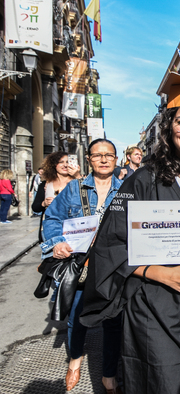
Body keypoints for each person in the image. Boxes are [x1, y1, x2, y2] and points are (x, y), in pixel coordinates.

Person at [80, 72, 180, 394]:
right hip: (153, 304)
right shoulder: (141, 181)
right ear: (169, 127)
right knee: (161, 381)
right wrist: (163, 275)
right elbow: (110, 247)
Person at [40, 138, 123, 393]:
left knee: (113, 320)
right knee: (77, 315)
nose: (103, 159)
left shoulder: (127, 189)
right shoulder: (74, 189)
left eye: (108, 155)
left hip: (113, 267)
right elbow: (53, 217)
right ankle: (75, 359)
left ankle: (109, 374)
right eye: (97, 155)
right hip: (80, 264)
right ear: (88, 159)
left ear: (116, 160)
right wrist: (57, 244)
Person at [32, 151, 81, 240]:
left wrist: (78, 176)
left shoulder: (78, 183)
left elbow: (89, 199)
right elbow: (35, 207)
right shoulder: (45, 184)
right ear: (54, 165)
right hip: (50, 229)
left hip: (74, 229)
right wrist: (44, 203)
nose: (65, 165)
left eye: (68, 162)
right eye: (61, 162)